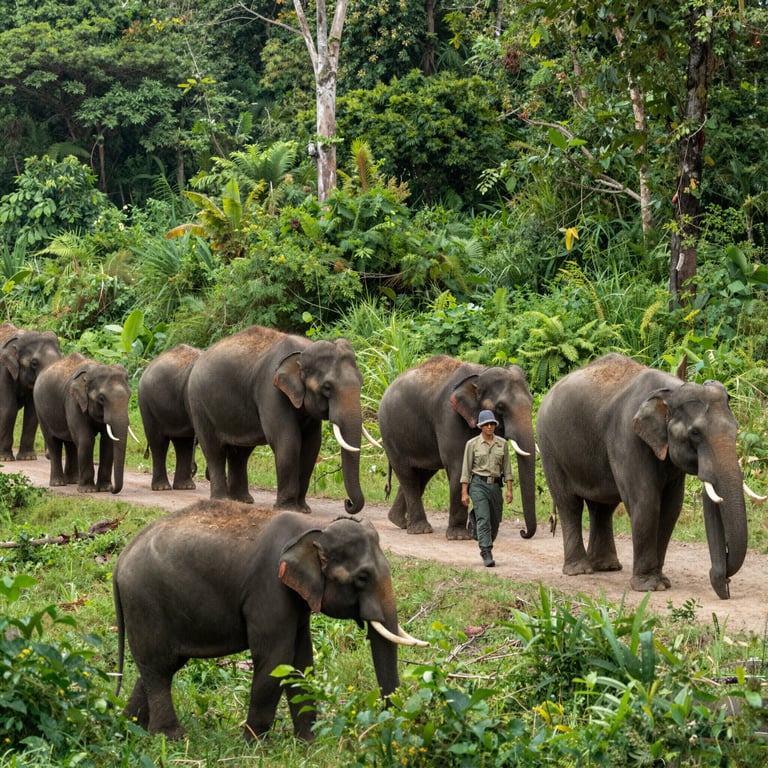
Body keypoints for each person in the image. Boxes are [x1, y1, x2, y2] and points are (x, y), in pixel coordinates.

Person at [460, 409, 513, 567]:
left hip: (496, 486)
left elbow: (507, 469)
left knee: (495, 521)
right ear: (481, 426)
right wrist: (464, 492)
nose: (489, 427)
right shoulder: (472, 445)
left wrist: (509, 490)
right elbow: (466, 470)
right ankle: (486, 551)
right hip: (478, 485)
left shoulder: (502, 444)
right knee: (484, 518)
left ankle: (477, 530)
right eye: (486, 424)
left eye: (492, 424)